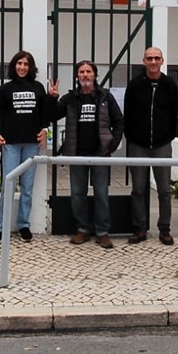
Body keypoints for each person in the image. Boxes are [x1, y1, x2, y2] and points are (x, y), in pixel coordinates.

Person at [0, 50, 59, 244]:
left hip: (32, 143)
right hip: (11, 143)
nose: (22, 67)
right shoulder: (6, 88)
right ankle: (0, 227)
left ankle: (23, 225)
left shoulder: (38, 87)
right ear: (14, 66)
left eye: (26, 64)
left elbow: (45, 114)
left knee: (27, 187)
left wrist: (52, 99)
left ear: (31, 67)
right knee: (8, 186)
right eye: (19, 63)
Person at [56, 59, 123, 249]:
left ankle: (102, 232)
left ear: (95, 75)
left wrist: (112, 144)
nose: (85, 75)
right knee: (78, 194)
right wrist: (52, 98)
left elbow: (119, 121)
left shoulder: (105, 96)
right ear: (77, 76)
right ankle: (82, 229)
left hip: (100, 154)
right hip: (77, 154)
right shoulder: (70, 98)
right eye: (81, 72)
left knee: (101, 193)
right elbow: (52, 114)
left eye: (88, 71)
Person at [123, 46, 178, 245]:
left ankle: (164, 229)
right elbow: (127, 113)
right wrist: (132, 137)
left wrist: (168, 136)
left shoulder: (170, 85)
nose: (153, 62)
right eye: (149, 58)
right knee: (138, 189)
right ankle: (140, 228)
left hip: (162, 144)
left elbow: (174, 113)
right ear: (144, 61)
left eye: (157, 58)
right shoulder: (135, 85)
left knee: (164, 190)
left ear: (162, 61)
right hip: (138, 145)